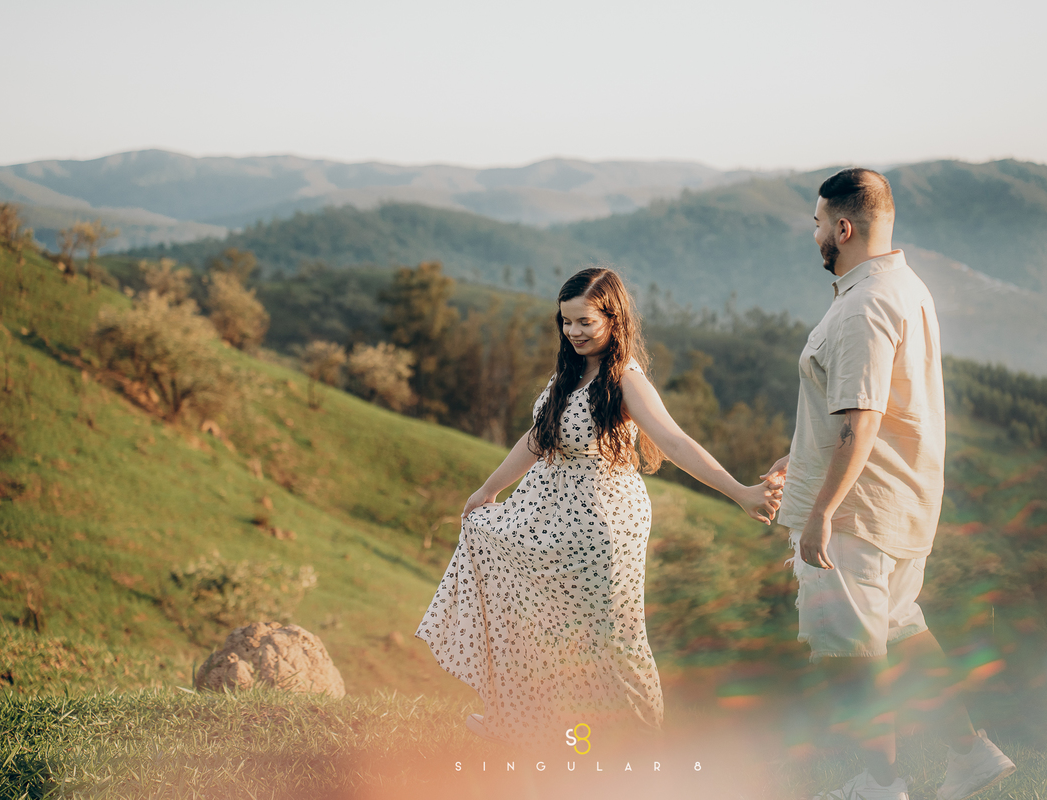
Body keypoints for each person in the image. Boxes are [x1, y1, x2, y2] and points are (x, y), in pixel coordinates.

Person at [416, 266, 780, 747]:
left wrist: (740, 491)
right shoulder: (569, 373)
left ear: (614, 316)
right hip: (549, 518)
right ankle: (522, 724)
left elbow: (673, 441)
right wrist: (489, 489)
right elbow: (537, 438)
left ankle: (648, 747)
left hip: (602, 527)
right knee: (537, 624)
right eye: (566, 322)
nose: (575, 332)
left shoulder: (626, 378)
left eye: (586, 321)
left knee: (614, 642)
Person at [763, 169, 1015, 800]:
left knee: (853, 653)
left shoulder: (862, 306)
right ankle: (971, 754)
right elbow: (857, 405)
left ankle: (877, 786)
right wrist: (793, 457)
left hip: (857, 513)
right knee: (899, 629)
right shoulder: (902, 286)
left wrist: (822, 510)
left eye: (818, 222)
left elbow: (862, 417)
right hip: (899, 502)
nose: (815, 233)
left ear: (842, 228)